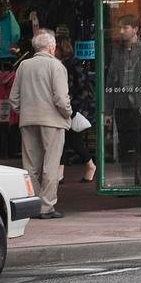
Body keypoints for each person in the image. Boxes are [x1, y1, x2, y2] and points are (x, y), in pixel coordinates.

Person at [9, 31, 71, 219]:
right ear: (52, 47)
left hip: (28, 120)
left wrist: (24, 111)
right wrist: (67, 114)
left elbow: (13, 99)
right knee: (51, 165)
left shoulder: (23, 66)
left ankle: (33, 203)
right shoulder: (56, 66)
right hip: (52, 121)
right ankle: (47, 206)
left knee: (30, 165)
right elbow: (61, 98)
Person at [57, 36, 97, 183]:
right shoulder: (63, 64)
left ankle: (89, 166)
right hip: (69, 106)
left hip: (74, 107)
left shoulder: (72, 65)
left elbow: (82, 87)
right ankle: (88, 166)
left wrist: (72, 107)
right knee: (67, 139)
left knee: (69, 139)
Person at [107, 15, 141, 175]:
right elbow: (110, 80)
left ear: (135, 29)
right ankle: (127, 181)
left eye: (125, 27)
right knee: (124, 144)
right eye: (120, 28)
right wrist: (107, 110)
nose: (121, 31)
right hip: (122, 104)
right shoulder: (117, 51)